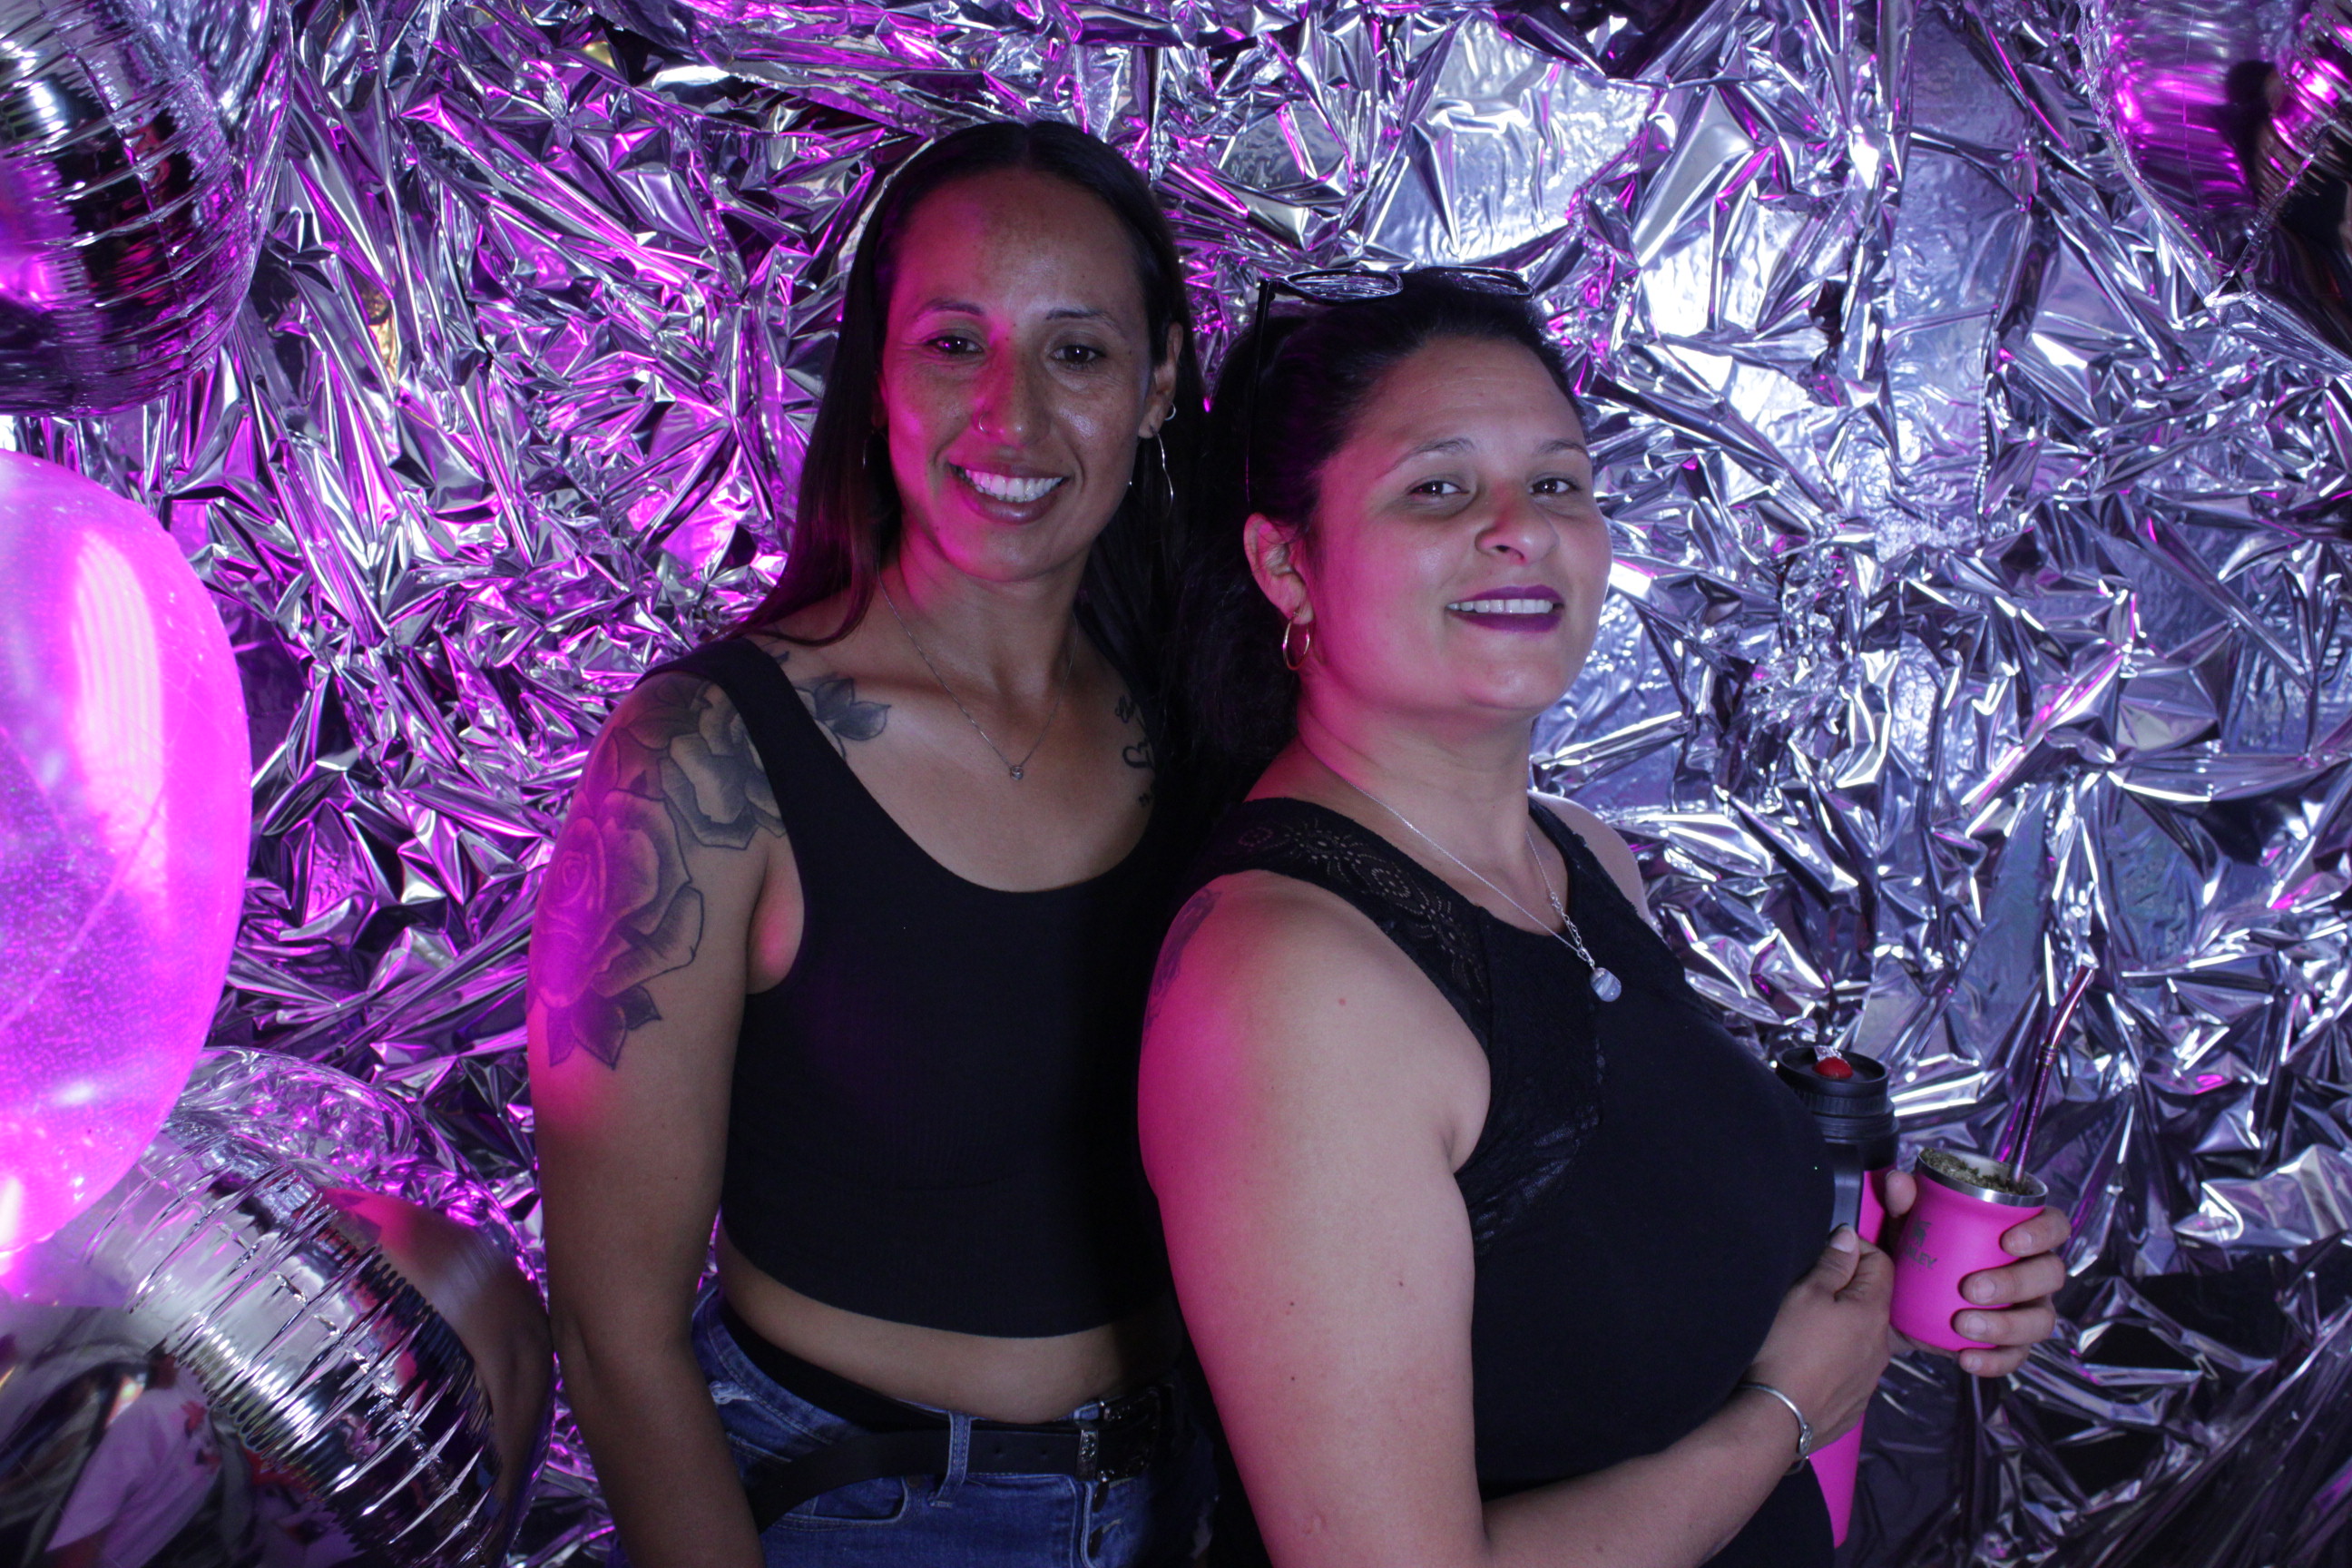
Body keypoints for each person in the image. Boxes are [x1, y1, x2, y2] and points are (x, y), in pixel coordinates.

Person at [1139, 270, 2073, 1568]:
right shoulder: (1290, 982)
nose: (1520, 529)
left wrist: (1886, 1275)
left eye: (1558, 482)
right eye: (1440, 487)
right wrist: (1787, 1412)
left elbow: (1587, 1265)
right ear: (1288, 565)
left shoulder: (1582, 860)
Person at [526, 120, 1215, 1568]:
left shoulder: (1207, 716)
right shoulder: (706, 756)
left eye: (1078, 352)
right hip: (860, 1516)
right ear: (878, 376)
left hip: (1190, 1502)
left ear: (1158, 384)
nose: (1013, 417)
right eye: (955, 344)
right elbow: (613, 1331)